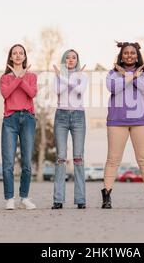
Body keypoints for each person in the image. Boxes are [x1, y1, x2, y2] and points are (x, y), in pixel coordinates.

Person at [101, 41, 144, 209]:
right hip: (117, 121)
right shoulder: (112, 73)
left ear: (137, 55)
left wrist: (129, 76)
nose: (129, 55)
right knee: (112, 159)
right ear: (121, 55)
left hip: (141, 121)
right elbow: (113, 88)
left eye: (132, 53)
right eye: (126, 53)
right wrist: (132, 76)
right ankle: (107, 196)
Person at [0, 44, 37, 210]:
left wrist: (20, 77)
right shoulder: (4, 78)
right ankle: (9, 198)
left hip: (28, 119)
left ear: (24, 57)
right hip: (10, 119)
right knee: (8, 162)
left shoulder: (32, 76)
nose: (17, 55)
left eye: (20, 53)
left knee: (27, 161)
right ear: (10, 57)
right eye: (14, 53)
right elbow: (6, 94)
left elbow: (32, 93)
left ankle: (24, 197)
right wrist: (16, 77)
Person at [51, 49, 88, 209]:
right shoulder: (57, 77)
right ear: (64, 59)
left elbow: (79, 91)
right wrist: (68, 79)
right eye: (67, 57)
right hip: (61, 116)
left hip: (78, 117)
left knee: (78, 157)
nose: (71, 60)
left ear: (77, 59)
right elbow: (58, 91)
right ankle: (58, 200)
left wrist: (63, 77)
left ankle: (80, 199)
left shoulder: (83, 76)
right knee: (60, 157)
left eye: (74, 57)